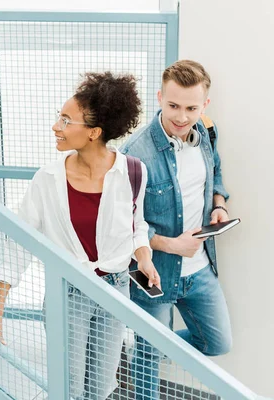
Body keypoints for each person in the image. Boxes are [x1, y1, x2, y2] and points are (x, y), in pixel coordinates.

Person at [0, 72, 160, 400]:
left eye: (66, 120)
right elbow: (18, 241)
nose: (56, 126)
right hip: (67, 294)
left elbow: (136, 224)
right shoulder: (48, 179)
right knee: (68, 389)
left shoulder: (133, 172)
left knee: (100, 389)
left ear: (94, 133)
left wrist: (143, 255)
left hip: (116, 290)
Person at [120, 60, 233, 400]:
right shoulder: (133, 154)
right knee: (148, 374)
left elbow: (215, 172)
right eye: (173, 106)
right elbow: (122, 224)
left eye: (191, 108)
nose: (182, 117)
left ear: (204, 105)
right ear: (159, 98)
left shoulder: (206, 134)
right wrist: (168, 244)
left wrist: (219, 204)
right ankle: (145, 357)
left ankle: (143, 353)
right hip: (154, 273)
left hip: (200, 270)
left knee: (217, 341)